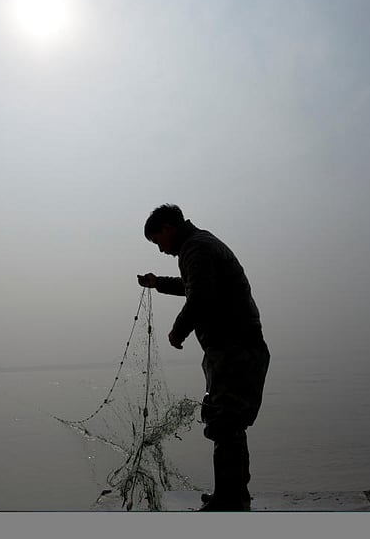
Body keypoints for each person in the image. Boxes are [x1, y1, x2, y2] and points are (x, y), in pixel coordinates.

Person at [137, 204, 270, 511]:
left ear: (168, 228)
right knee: (228, 422)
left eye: (157, 241)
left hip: (234, 349)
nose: (160, 249)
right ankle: (232, 494)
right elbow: (195, 285)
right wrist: (157, 282)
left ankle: (230, 500)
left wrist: (178, 331)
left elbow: (201, 296)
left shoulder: (195, 248)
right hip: (234, 348)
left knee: (225, 422)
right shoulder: (199, 245)